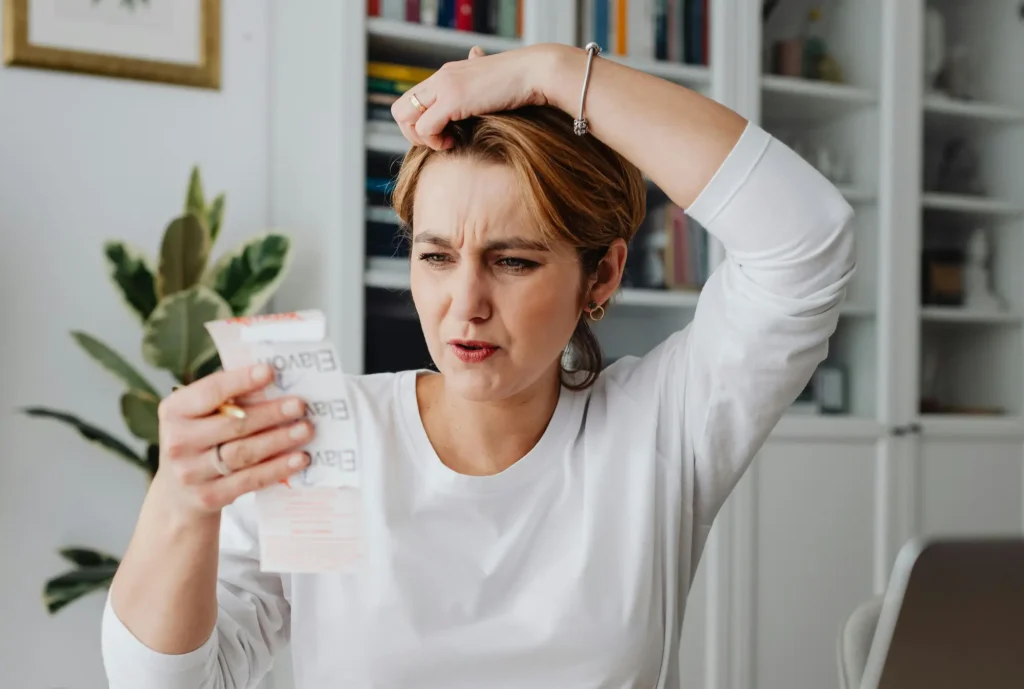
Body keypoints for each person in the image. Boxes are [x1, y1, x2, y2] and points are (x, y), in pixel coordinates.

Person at [101, 41, 854, 689]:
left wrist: (553, 72)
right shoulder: (325, 441)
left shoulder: (657, 429)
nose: (465, 304)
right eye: (435, 256)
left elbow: (806, 239)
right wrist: (179, 503)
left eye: (515, 260)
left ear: (602, 276)